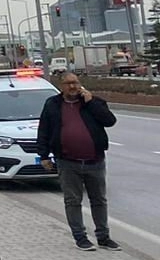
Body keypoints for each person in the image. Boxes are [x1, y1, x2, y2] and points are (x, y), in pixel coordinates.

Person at [36, 72, 120, 251]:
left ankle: (103, 237)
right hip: (67, 162)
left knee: (99, 200)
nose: (72, 87)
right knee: (72, 201)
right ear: (61, 86)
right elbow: (43, 130)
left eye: (75, 83)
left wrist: (91, 102)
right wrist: (43, 155)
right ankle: (80, 237)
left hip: (94, 160)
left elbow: (110, 121)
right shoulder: (52, 104)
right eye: (68, 84)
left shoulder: (93, 102)